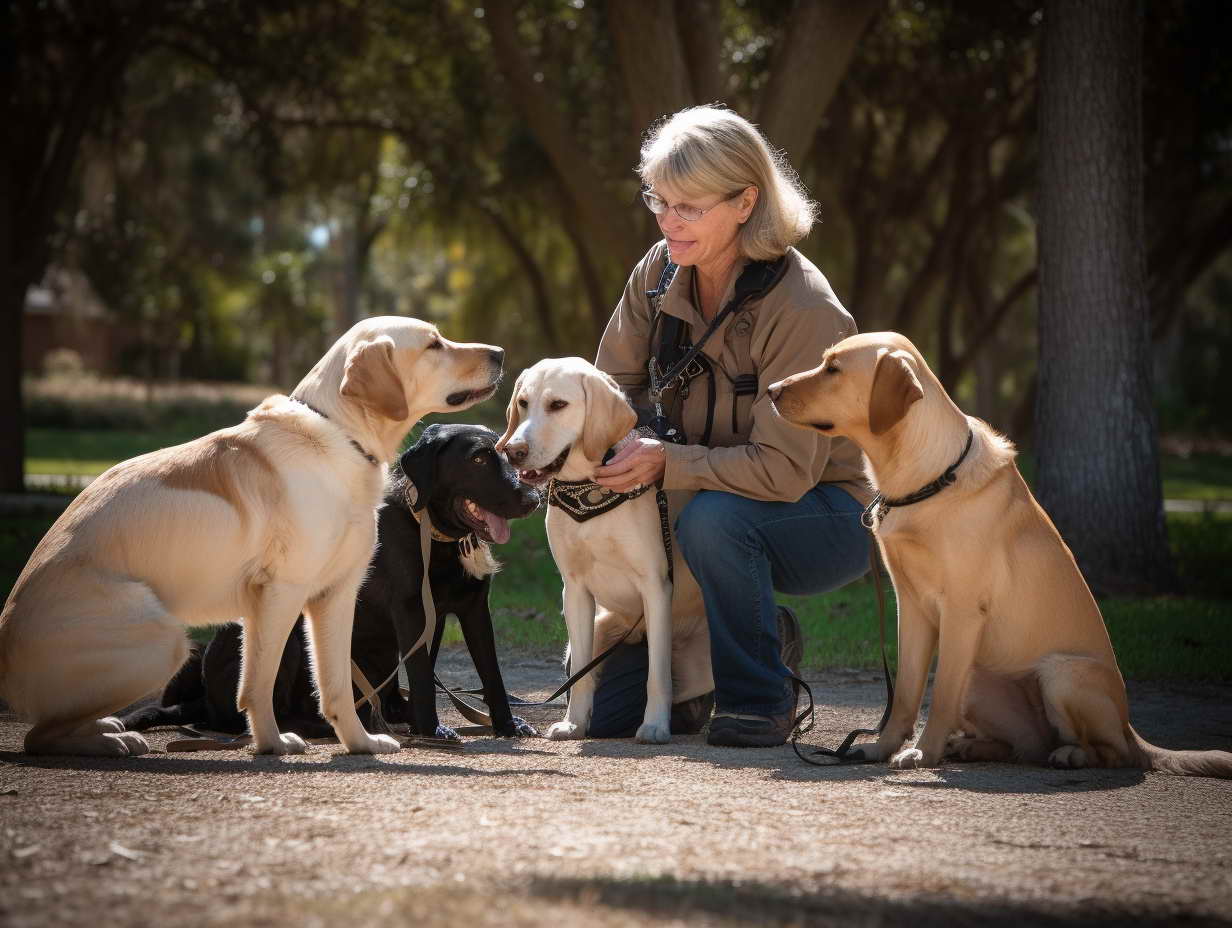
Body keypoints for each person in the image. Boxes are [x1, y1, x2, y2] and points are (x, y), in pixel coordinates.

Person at [591, 105, 872, 747]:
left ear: (746, 202)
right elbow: (611, 392)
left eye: (689, 205)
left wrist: (666, 463)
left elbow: (783, 470)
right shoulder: (657, 270)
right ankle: (702, 678)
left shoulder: (804, 307)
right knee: (612, 722)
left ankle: (759, 695)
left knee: (715, 522)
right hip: (692, 495)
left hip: (821, 512)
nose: (668, 221)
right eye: (658, 201)